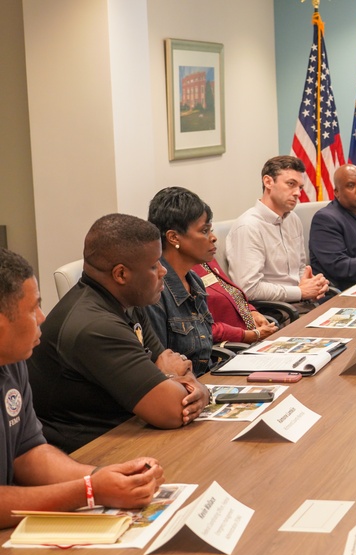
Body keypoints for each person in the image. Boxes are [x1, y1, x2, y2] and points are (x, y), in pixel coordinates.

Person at [0, 249, 165, 529]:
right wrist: (89, 491)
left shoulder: (12, 361)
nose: (42, 317)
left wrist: (101, 476)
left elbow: (28, 453)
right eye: (32, 308)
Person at [27, 214, 210, 453]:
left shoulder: (130, 302)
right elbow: (173, 410)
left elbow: (176, 366)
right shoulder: (95, 326)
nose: (164, 271)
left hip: (130, 431)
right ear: (121, 274)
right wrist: (169, 376)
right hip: (92, 451)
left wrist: (199, 390)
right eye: (154, 265)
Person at [147, 187, 276, 375]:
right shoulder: (155, 292)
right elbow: (160, 369)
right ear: (174, 237)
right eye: (205, 231)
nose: (213, 238)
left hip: (208, 377)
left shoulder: (194, 282)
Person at [227, 155, 330, 313]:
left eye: (300, 187)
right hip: (275, 312)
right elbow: (248, 288)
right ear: (268, 182)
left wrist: (313, 284)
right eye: (291, 184)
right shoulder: (248, 226)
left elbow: (300, 267)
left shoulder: (292, 218)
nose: (297, 193)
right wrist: (301, 292)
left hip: (301, 305)